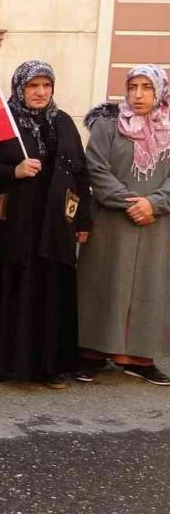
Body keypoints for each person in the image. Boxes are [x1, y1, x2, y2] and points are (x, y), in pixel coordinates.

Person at [0, 60, 90, 387]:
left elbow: (80, 173)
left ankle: (50, 367)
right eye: (32, 86)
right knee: (10, 292)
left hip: (55, 226)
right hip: (15, 224)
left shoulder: (63, 122)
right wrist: (13, 171)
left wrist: (83, 220)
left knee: (50, 292)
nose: (40, 92)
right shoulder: (2, 121)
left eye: (46, 85)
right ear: (20, 88)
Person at [77, 64, 170, 386]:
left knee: (150, 288)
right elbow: (95, 169)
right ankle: (92, 353)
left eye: (147, 87)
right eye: (133, 87)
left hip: (157, 225)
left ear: (160, 92)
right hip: (111, 222)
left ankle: (140, 359)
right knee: (104, 284)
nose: (139, 94)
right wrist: (131, 202)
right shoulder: (107, 125)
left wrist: (153, 204)